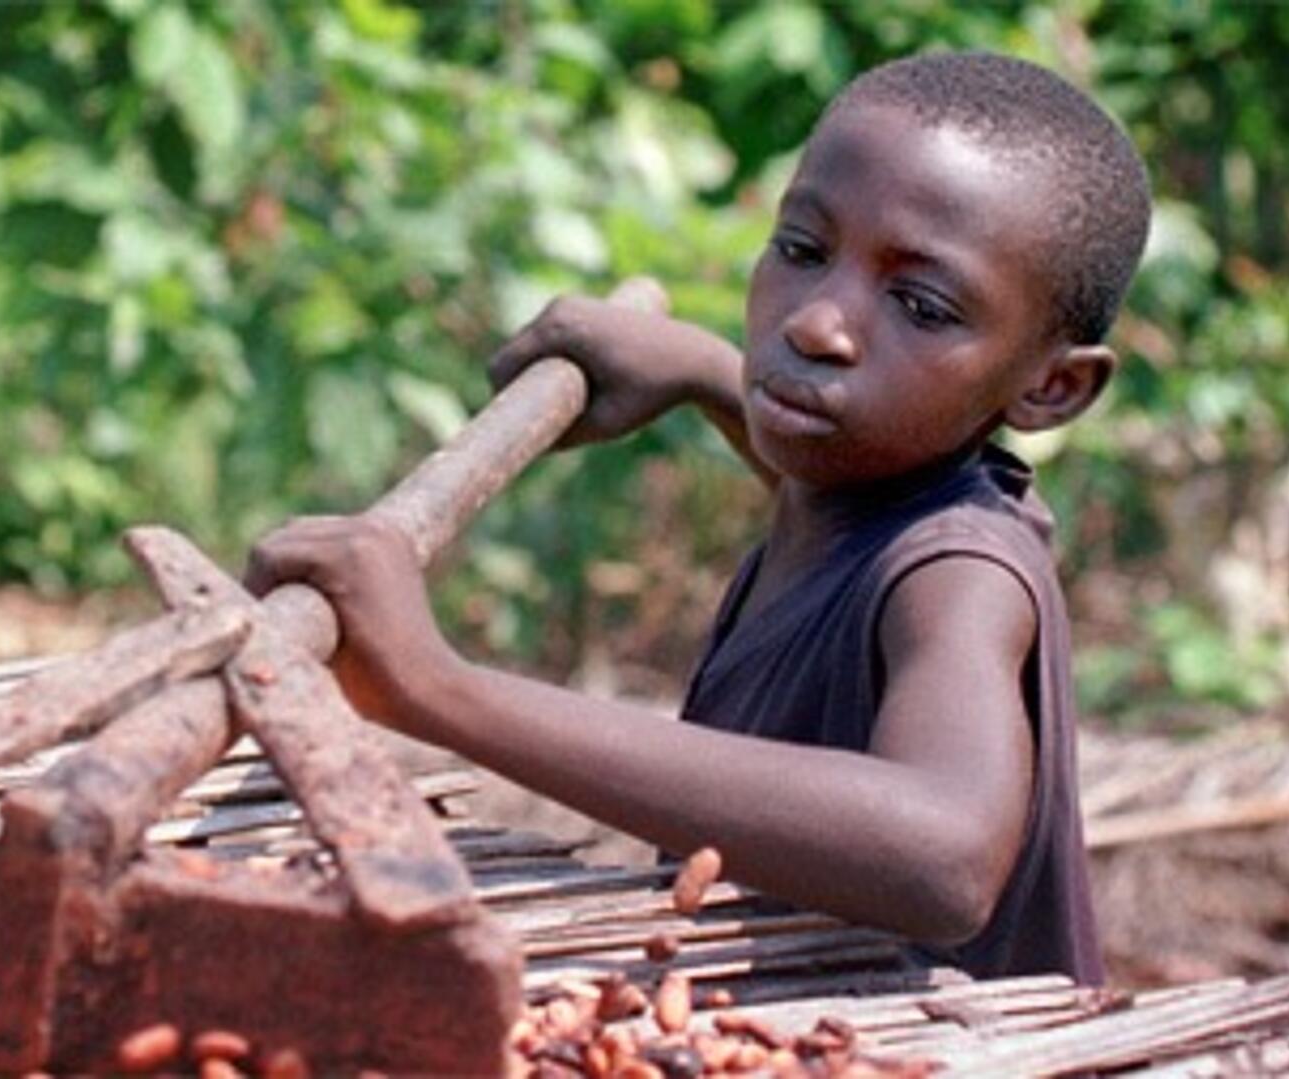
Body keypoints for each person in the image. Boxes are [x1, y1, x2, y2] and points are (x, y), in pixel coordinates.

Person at [244, 51, 1151, 984]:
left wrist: (435, 687)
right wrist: (698, 370)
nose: (816, 325)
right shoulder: (858, 487)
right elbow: (834, 500)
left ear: (1051, 387)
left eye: (921, 306)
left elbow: (944, 856)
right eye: (802, 251)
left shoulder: (961, 574)